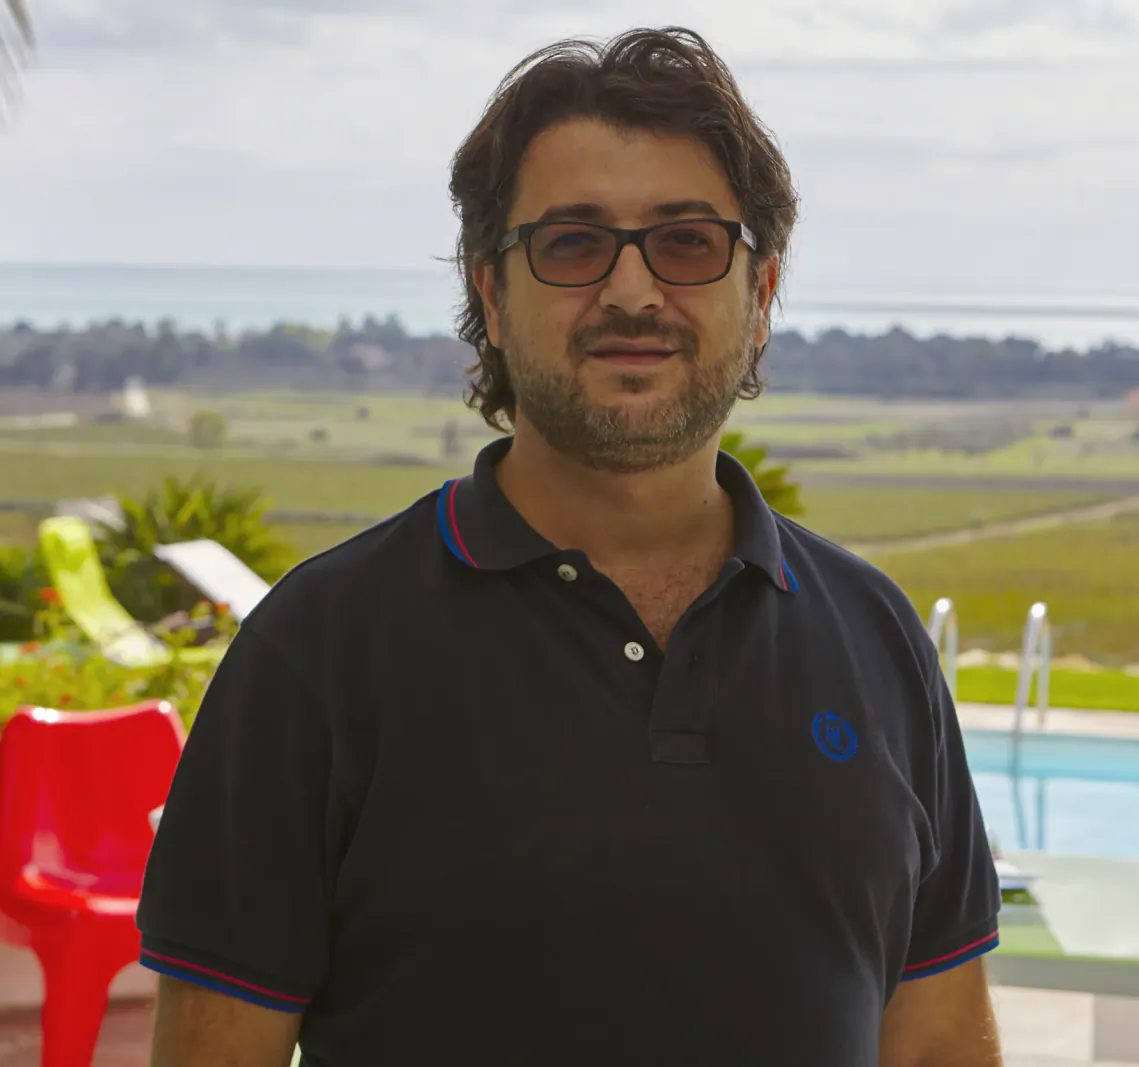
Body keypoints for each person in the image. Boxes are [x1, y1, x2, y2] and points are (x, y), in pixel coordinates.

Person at [138, 26, 1002, 1067]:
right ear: (493, 296)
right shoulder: (318, 649)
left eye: (687, 242)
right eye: (573, 242)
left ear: (760, 296)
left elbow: (940, 1041)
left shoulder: (876, 637)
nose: (633, 292)